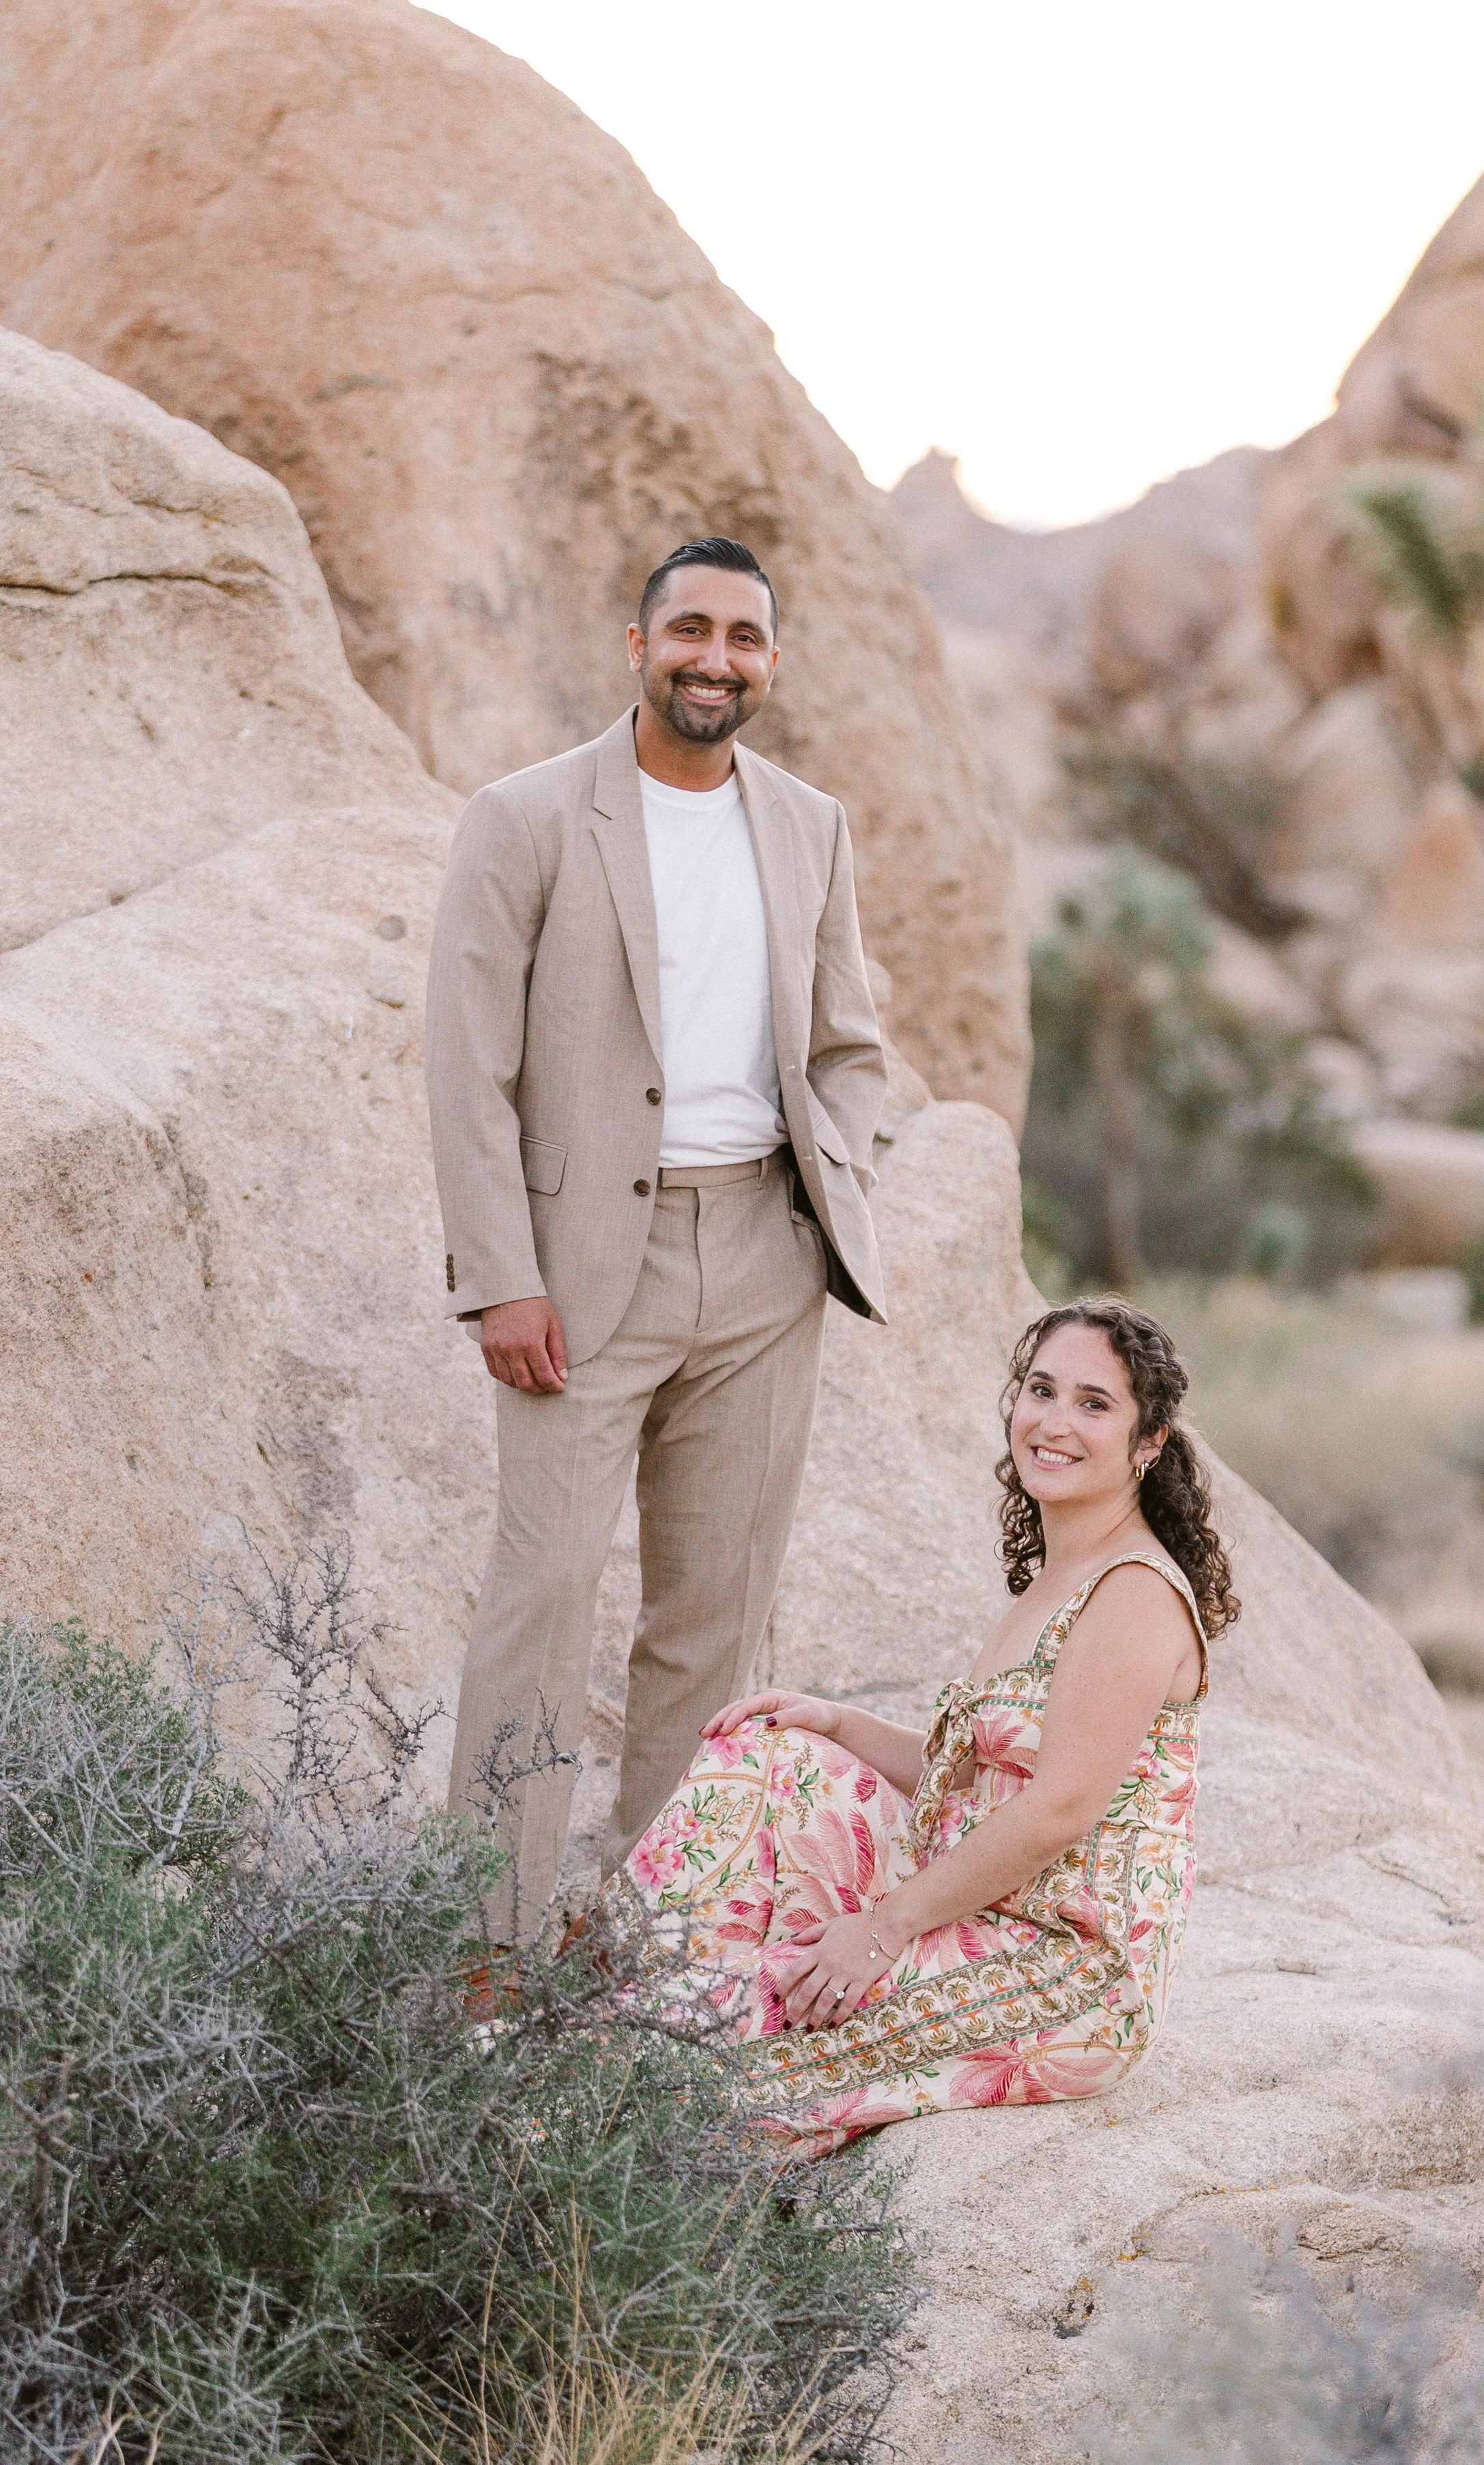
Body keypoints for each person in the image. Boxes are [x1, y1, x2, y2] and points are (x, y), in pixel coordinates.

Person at [425, 537, 887, 1946]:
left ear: (768, 662)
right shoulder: (527, 816)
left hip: (760, 1255)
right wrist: (502, 1271)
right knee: (542, 1596)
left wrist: (831, 1190)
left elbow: (849, 1044)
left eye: (744, 638)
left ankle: (654, 1946)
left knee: (715, 1614)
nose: (715, 658)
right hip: (575, 1272)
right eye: (689, 630)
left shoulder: (809, 823)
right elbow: (465, 1063)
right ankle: (483, 1954)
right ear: (637, 646)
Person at [612, 1295, 1239, 2158]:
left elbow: (1059, 1807)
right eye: (1041, 1389)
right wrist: (834, 1721)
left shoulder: (1133, 1590)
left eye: (1094, 1403)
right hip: (970, 1894)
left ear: (1149, 1443)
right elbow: (968, 1781)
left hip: (1065, 1965)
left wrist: (882, 1927)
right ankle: (628, 1993)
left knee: (738, 2030)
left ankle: (645, 2059)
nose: (1054, 1422)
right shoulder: (1061, 1575)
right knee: (762, 1754)